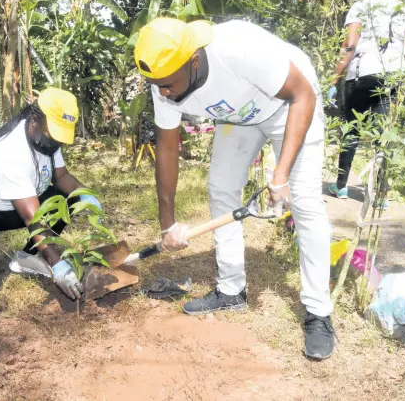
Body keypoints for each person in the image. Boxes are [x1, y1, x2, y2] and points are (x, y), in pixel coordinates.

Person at [134, 18, 335, 360]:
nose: (163, 92)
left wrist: (280, 175)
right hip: (242, 116)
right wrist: (167, 223)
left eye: (167, 85)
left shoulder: (239, 48)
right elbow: (167, 148)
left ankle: (318, 312)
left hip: (290, 104)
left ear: (193, 61)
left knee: (304, 200)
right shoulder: (164, 80)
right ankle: (231, 290)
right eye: (156, 85)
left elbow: (302, 96)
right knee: (221, 187)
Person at [0, 87, 101, 301]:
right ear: (35, 119)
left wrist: (87, 195)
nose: (57, 143)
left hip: (20, 202)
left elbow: (62, 177)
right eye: (54, 135)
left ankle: (28, 256)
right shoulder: (11, 151)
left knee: (71, 198)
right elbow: (33, 219)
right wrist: (58, 266)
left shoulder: (48, 138)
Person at [327, 0, 405, 203]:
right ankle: (380, 195)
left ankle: (341, 186)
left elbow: (349, 45)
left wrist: (334, 82)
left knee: (351, 129)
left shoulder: (360, 7)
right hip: (391, 79)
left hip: (360, 74)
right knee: (383, 135)